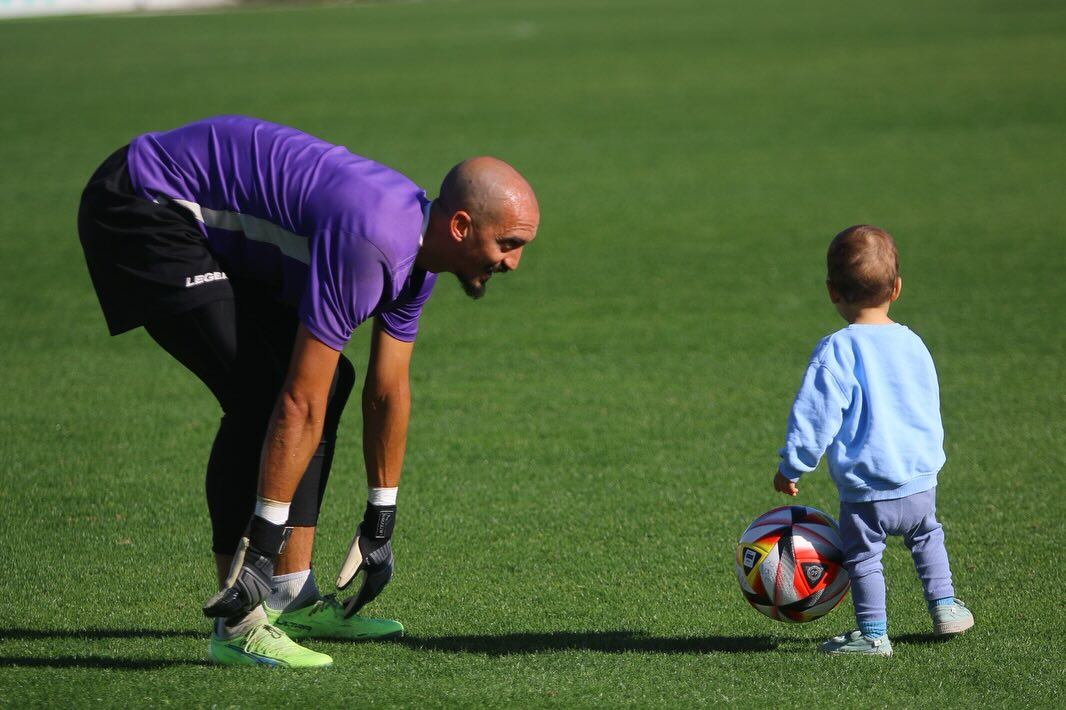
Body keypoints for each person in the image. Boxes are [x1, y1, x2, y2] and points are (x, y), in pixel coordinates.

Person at [78, 115, 540, 668]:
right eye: (508, 244)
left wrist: (380, 517)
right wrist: (263, 542)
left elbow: (386, 390)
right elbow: (298, 403)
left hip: (199, 211)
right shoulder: (372, 244)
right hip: (143, 200)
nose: (513, 262)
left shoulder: (420, 260)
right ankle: (239, 620)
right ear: (462, 226)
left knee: (333, 380)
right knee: (262, 397)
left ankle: (288, 595)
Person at [773, 225, 973, 657]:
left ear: (832, 292)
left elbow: (815, 414)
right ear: (897, 288)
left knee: (864, 557)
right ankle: (944, 608)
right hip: (920, 479)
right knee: (927, 537)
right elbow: (926, 403)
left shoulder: (837, 350)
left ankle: (872, 633)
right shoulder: (913, 342)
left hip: (868, 488)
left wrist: (793, 465)